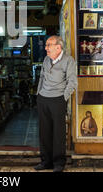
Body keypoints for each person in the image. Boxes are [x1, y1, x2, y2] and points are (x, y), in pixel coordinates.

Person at [34, 35, 78, 172]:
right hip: (43, 99)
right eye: (46, 45)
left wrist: (63, 98)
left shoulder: (68, 61)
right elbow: (41, 77)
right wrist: (38, 94)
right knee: (44, 132)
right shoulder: (47, 59)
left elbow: (72, 82)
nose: (46, 48)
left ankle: (59, 163)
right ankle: (45, 161)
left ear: (58, 47)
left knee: (58, 133)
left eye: (49, 45)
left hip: (58, 99)